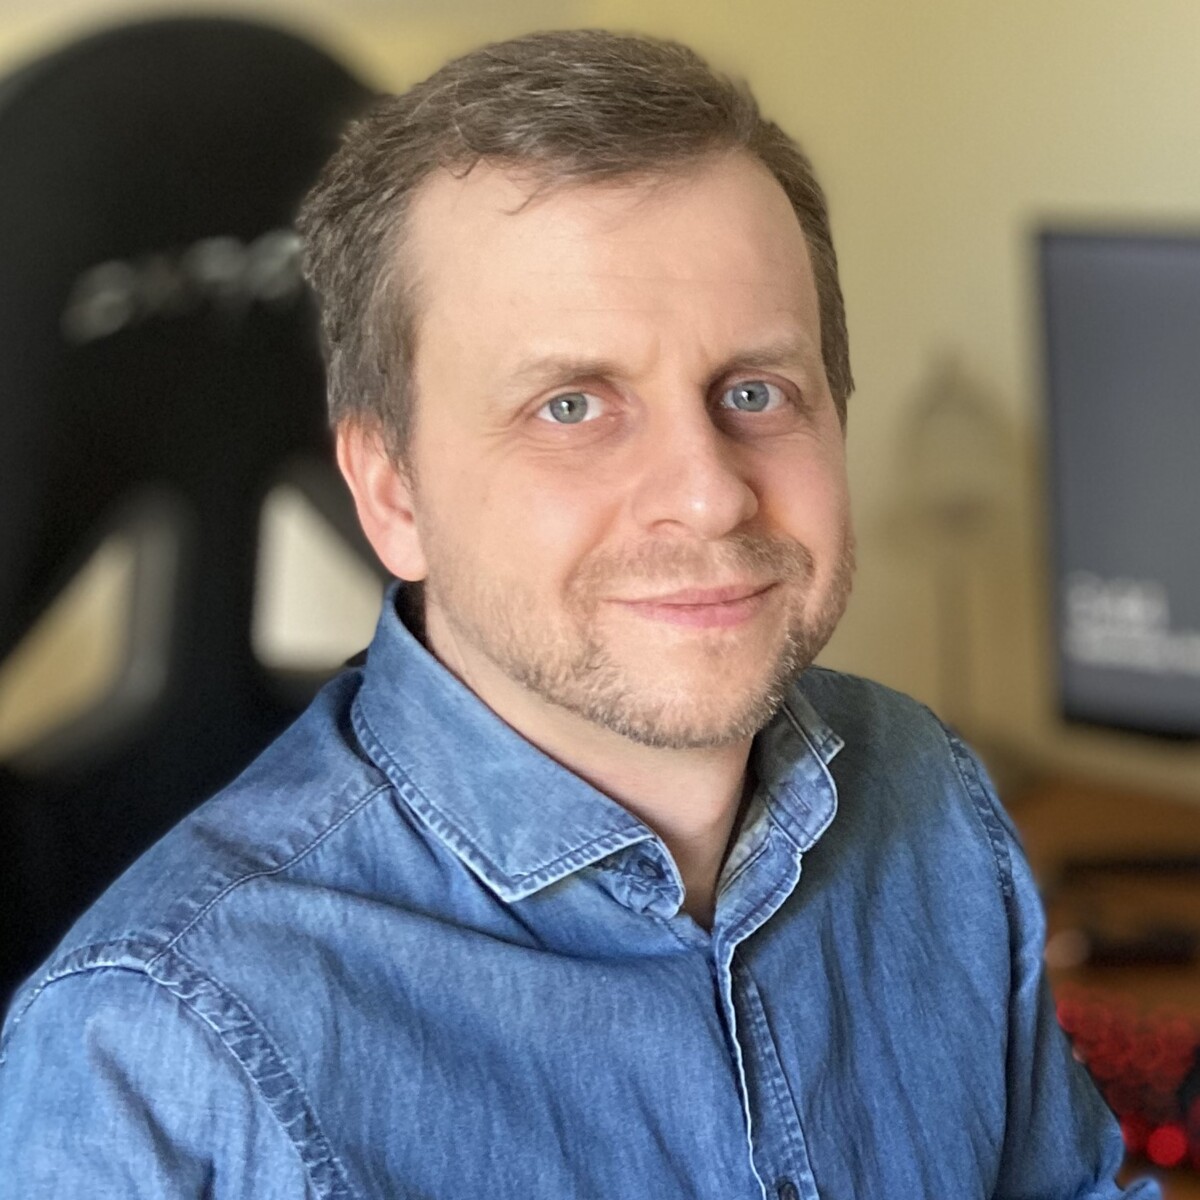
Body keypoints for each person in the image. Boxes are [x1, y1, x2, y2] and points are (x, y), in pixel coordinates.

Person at [0, 28, 1156, 1200]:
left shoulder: (928, 798)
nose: (708, 492)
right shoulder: (154, 1058)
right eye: (572, 406)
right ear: (392, 493)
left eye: (756, 390)